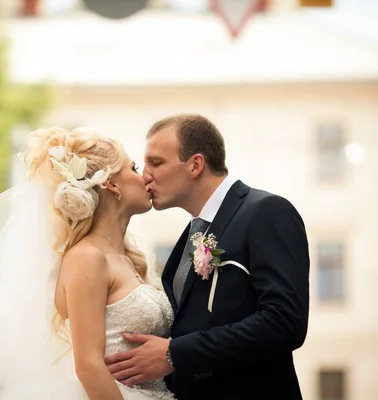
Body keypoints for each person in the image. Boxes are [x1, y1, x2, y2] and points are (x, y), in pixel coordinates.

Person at [0, 127, 175, 399]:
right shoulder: (87, 257)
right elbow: (88, 364)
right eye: (134, 168)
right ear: (111, 183)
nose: (145, 177)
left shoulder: (126, 258)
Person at [105, 114, 310, 399]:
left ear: (195, 164)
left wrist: (174, 354)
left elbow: (285, 321)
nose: (145, 176)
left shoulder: (266, 211)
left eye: (157, 162)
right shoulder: (190, 233)